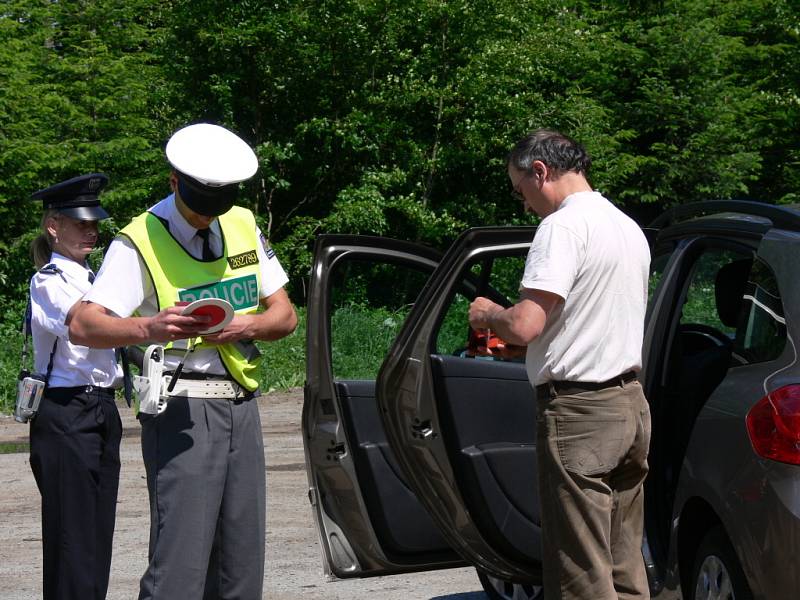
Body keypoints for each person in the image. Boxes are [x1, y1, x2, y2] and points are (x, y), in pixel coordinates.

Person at [69, 123, 298, 600]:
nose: (205, 218)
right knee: (180, 564)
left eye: (217, 206)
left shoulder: (240, 223)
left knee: (241, 562)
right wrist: (149, 328)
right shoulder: (138, 241)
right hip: (182, 406)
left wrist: (246, 327)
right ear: (174, 182)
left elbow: (285, 315)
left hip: (241, 404)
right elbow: (84, 325)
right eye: (198, 206)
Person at [468, 129, 651, 600]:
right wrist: (529, 348)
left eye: (520, 188)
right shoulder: (625, 225)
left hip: (580, 415)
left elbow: (526, 324)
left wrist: (489, 315)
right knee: (624, 563)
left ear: (541, 172)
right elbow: (588, 321)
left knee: (581, 573)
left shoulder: (562, 227)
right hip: (630, 406)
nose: (524, 203)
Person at [27, 173, 123, 600]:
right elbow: (86, 329)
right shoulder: (49, 281)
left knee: (97, 535)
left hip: (102, 407)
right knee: (72, 541)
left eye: (94, 222)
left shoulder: (95, 278)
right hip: (66, 411)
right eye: (80, 222)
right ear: (54, 226)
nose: (91, 229)